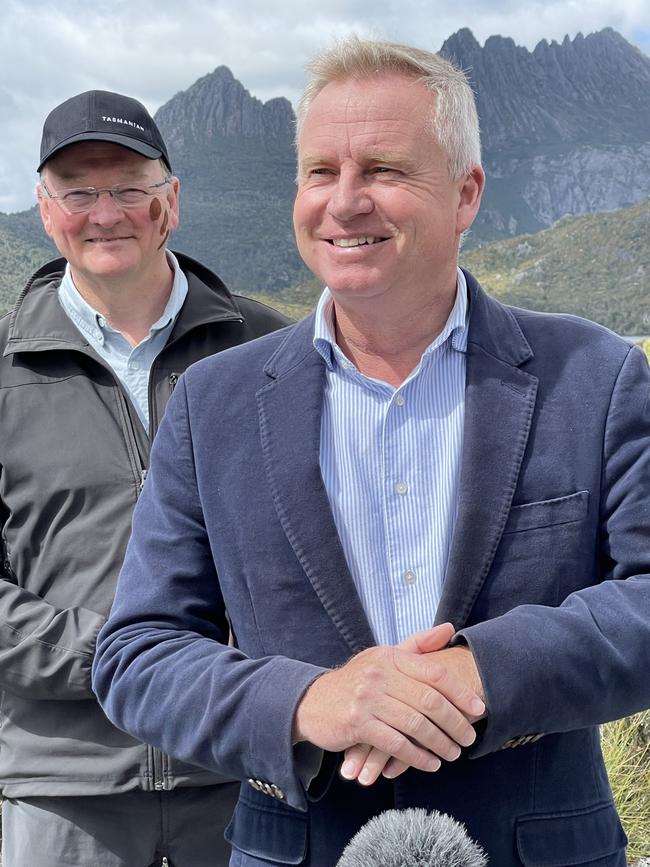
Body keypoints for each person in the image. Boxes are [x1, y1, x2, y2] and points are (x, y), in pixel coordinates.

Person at [92, 40, 650, 867]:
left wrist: (481, 672)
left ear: (466, 194)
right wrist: (311, 699)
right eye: (320, 172)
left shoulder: (597, 377)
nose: (345, 202)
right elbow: (138, 655)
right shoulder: (212, 405)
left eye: (383, 169)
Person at [0, 89, 290, 867]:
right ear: (44, 207)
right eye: (79, 191)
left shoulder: (274, 351)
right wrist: (129, 656)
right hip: (64, 788)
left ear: (171, 202)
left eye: (129, 186)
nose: (106, 212)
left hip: (241, 767)